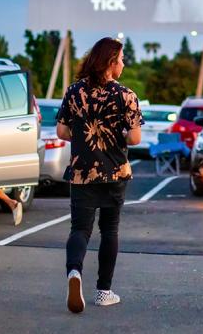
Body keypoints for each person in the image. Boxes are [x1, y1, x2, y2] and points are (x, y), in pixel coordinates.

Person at [56, 37, 143, 314]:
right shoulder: (126, 95)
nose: (124, 63)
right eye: (121, 59)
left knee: (80, 229)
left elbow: (61, 131)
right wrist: (119, 134)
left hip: (83, 172)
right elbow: (136, 138)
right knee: (110, 230)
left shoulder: (74, 92)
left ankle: (74, 273)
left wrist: (82, 135)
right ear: (110, 62)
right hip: (115, 172)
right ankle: (104, 291)